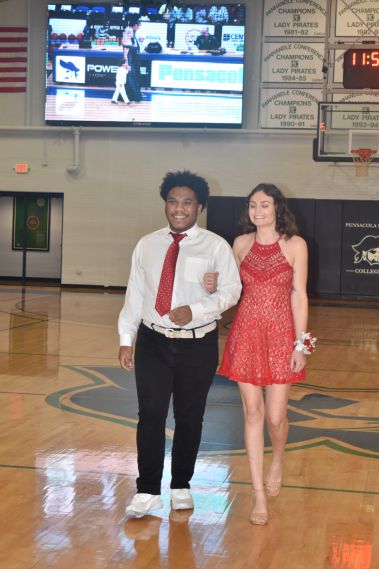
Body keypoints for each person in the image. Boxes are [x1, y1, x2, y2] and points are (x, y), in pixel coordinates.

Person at [118, 170, 241, 517]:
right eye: (173, 201)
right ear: (165, 204)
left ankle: (181, 484)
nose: (179, 208)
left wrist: (199, 308)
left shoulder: (216, 246)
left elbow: (232, 290)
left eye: (187, 202)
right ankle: (147, 491)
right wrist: (126, 338)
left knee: (190, 417)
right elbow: (135, 293)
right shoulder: (147, 244)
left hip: (197, 345)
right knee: (151, 415)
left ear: (199, 207)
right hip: (153, 343)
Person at [215, 183, 314, 526]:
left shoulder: (295, 245)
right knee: (253, 413)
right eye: (253, 205)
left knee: (275, 417)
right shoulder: (240, 244)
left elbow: (300, 296)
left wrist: (302, 345)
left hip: (281, 336)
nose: (258, 211)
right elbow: (229, 290)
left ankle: (278, 458)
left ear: (277, 209)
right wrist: (210, 286)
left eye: (265, 205)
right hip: (244, 334)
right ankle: (258, 493)